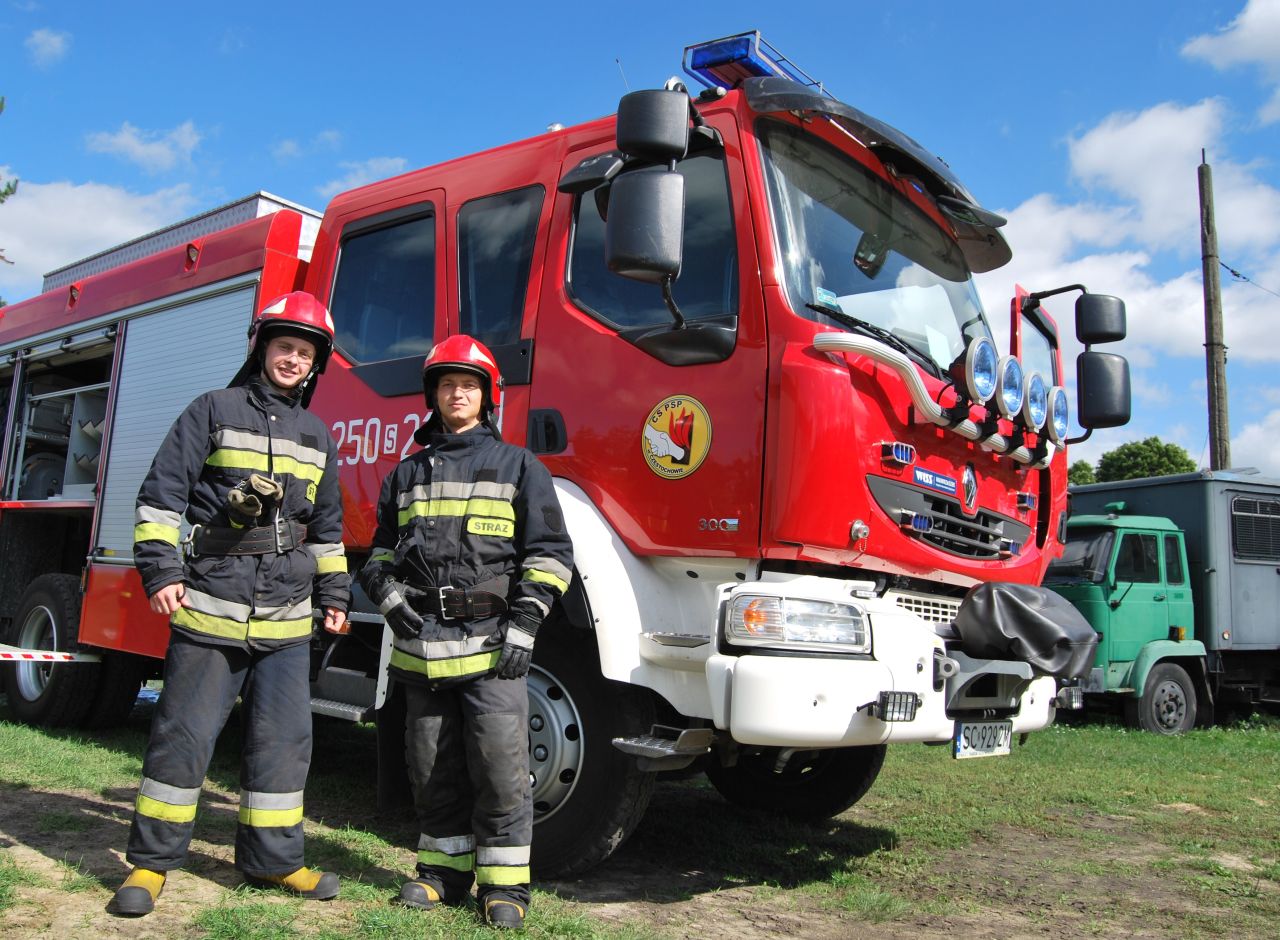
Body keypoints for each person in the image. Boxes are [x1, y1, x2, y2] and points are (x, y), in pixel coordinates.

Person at [111, 292, 350, 917]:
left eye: (305, 352)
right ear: (262, 348)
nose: (293, 359)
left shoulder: (316, 433)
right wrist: (162, 570)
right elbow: (161, 497)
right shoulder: (211, 409)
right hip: (211, 607)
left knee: (283, 744)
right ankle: (151, 865)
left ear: (315, 363)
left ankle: (274, 865)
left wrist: (335, 595)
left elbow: (326, 530)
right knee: (182, 741)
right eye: (284, 347)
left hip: (287, 619)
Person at [358, 335, 573, 930]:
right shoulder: (405, 474)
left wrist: (526, 623)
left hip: (490, 645)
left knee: (501, 765)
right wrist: (390, 597)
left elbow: (551, 553)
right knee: (429, 763)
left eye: (469, 385)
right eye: (448, 384)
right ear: (433, 395)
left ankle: (505, 888)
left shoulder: (519, 465)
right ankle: (441, 875)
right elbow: (377, 555)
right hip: (421, 647)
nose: (458, 393)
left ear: (487, 397)